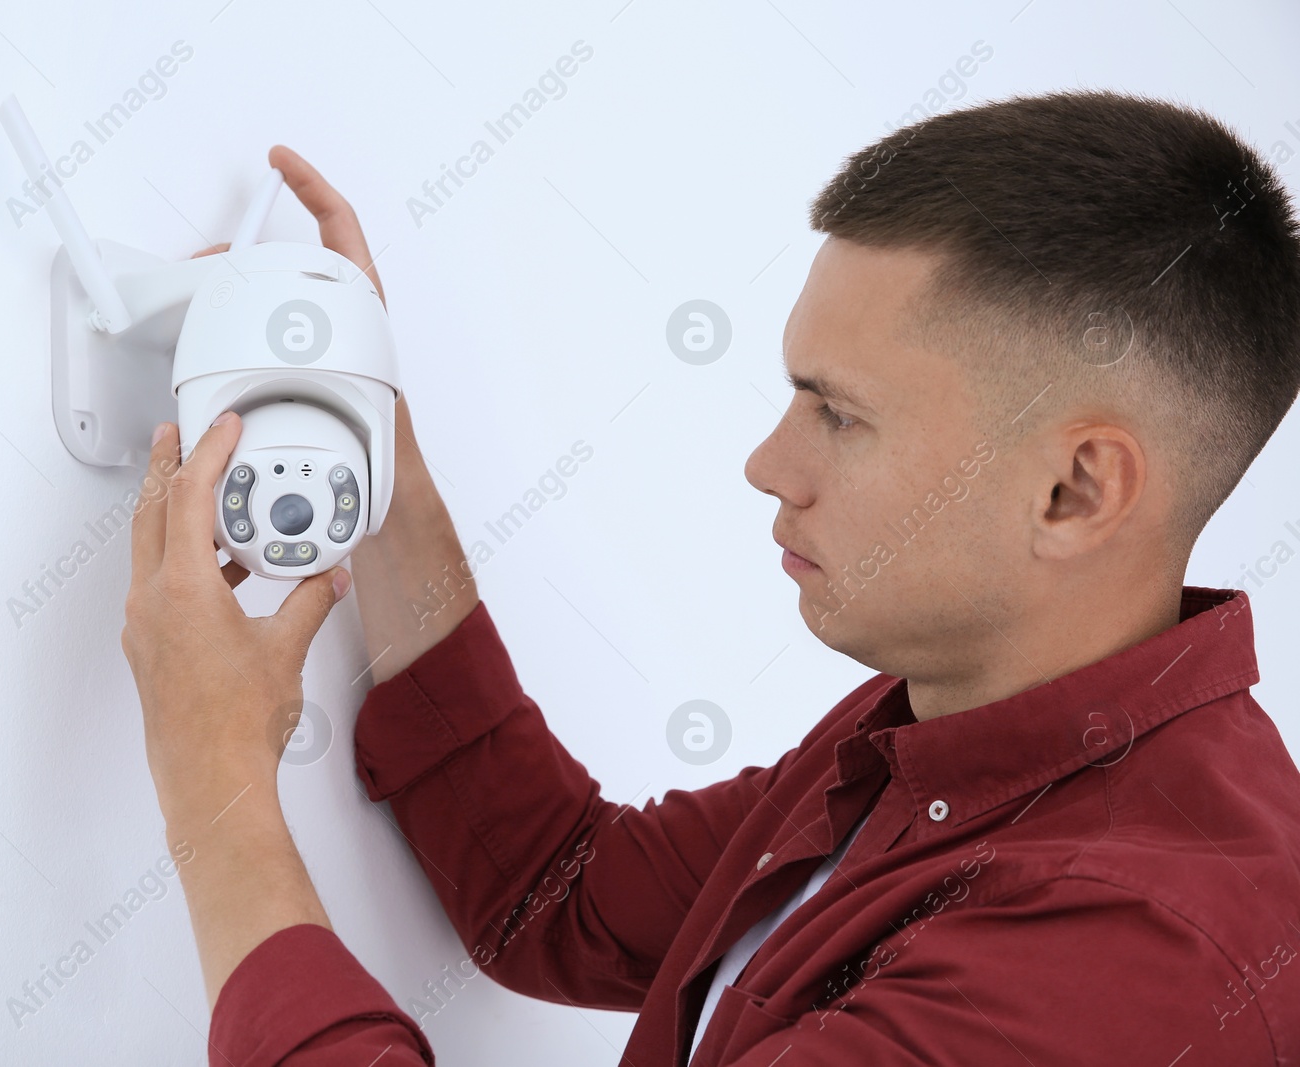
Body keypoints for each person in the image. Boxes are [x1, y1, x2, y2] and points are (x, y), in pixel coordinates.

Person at [119, 88, 1300, 1066]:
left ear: (1074, 491)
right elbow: (560, 892)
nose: (766, 464)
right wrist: (361, 420)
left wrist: (213, 784)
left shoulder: (1124, 964)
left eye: (837, 413)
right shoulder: (953, 728)